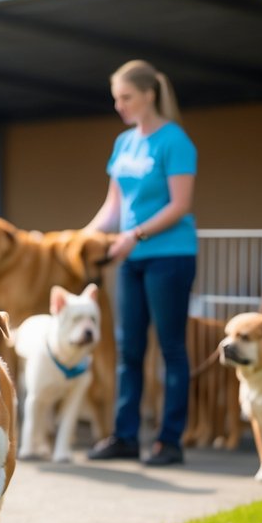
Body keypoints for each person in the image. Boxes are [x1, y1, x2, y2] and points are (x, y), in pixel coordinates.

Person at [84, 60, 198, 467]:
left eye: (126, 97)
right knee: (128, 349)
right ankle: (125, 436)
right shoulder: (124, 143)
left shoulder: (175, 141)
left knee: (170, 349)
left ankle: (169, 440)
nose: (120, 106)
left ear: (149, 94)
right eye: (116, 99)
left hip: (170, 256)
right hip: (132, 259)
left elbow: (180, 205)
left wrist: (135, 235)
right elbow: (113, 207)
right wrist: (83, 238)